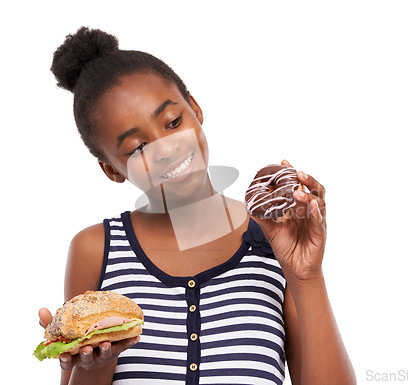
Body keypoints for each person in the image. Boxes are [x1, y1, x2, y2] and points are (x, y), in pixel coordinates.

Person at [38, 27, 356, 385]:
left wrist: (305, 276)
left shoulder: (274, 241)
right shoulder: (96, 250)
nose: (167, 148)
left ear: (196, 108)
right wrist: (95, 367)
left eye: (173, 122)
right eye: (138, 147)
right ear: (112, 169)